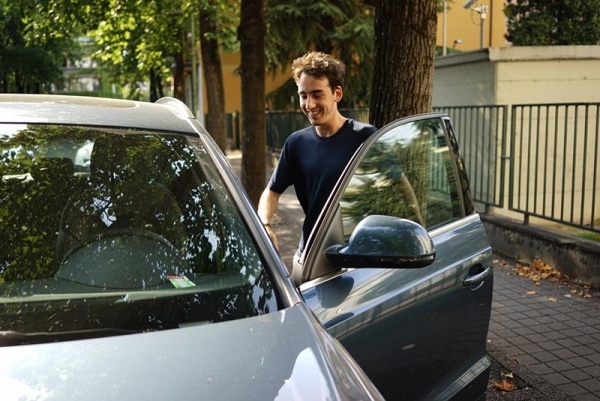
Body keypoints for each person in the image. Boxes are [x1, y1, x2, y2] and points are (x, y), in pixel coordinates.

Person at [257, 51, 377, 256]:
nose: (309, 104)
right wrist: (265, 226)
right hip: (312, 255)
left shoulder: (365, 137)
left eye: (317, 94)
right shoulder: (296, 143)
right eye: (303, 96)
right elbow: (272, 191)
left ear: (337, 94)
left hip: (359, 255)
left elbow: (398, 186)